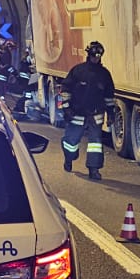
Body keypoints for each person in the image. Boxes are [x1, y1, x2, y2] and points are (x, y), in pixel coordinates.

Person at [60, 41, 116, 180]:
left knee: (95, 143)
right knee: (71, 141)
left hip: (95, 113)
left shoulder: (104, 74)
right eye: (93, 56)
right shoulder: (78, 71)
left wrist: (111, 113)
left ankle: (93, 169)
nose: (96, 59)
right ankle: (69, 158)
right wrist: (66, 108)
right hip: (77, 112)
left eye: (98, 56)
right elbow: (66, 89)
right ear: (89, 55)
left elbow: (109, 95)